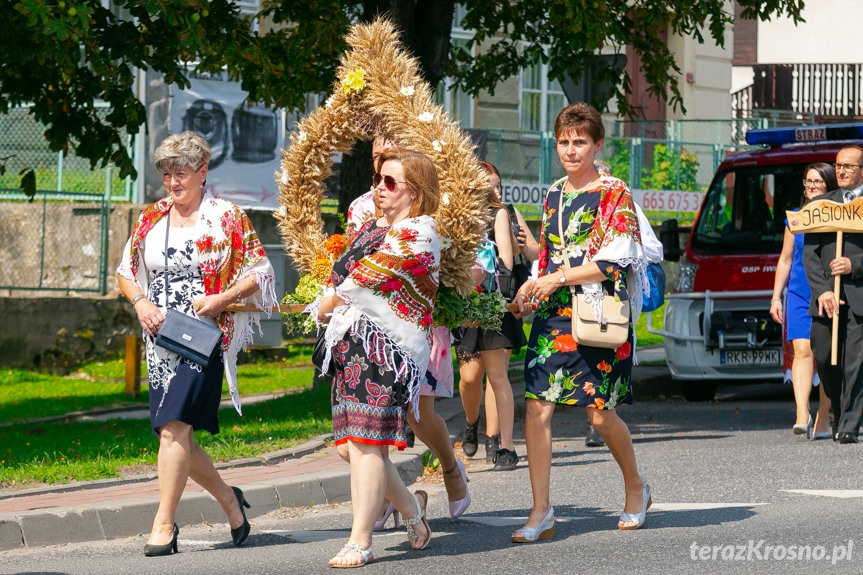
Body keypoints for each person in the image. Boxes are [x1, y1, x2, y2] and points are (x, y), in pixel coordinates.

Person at [117, 131, 277, 556]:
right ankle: (230, 500)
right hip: (160, 337)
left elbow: (260, 271)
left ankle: (164, 524)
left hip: (206, 337)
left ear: (203, 172)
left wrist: (223, 298)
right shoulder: (152, 216)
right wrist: (140, 303)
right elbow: (125, 270)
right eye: (167, 174)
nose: (173, 183)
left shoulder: (225, 216)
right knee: (177, 435)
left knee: (173, 429)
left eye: (181, 173)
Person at [513, 102, 650, 542]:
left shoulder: (614, 192)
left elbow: (615, 261)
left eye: (580, 142)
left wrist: (556, 278)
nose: (571, 151)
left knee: (599, 416)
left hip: (599, 314)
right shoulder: (554, 194)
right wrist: (531, 288)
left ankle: (635, 486)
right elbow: (549, 256)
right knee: (537, 406)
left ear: (597, 144)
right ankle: (541, 511)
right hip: (555, 314)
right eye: (564, 142)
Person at [315, 150, 439, 567]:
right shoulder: (370, 228)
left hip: (389, 349)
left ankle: (360, 540)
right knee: (350, 449)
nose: (379, 189)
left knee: (368, 445)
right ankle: (411, 510)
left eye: (390, 182)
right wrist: (327, 298)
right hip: (352, 344)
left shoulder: (420, 231)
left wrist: (326, 302)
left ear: (416, 193)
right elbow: (338, 273)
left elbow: (362, 277)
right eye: (378, 180)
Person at [583, 159, 665, 448]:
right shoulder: (576, 207)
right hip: (581, 295)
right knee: (585, 356)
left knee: (607, 360)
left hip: (615, 298)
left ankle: (601, 421)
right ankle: (596, 421)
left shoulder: (627, 207)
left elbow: (655, 249)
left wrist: (626, 248)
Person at [465, 162, 537, 463]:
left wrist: (519, 248)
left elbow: (524, 255)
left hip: (497, 300)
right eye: (488, 185)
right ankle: (472, 425)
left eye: (498, 185)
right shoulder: (460, 215)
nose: (495, 191)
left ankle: (502, 444)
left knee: (497, 376)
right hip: (467, 302)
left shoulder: (504, 212)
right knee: (470, 378)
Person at [770, 163, 835, 439]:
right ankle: (801, 412)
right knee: (802, 350)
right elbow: (785, 259)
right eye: (808, 182)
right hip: (798, 293)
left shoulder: (839, 216)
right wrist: (776, 296)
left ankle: (823, 414)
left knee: (826, 356)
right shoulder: (794, 219)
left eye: (817, 182)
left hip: (830, 293)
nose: (811, 186)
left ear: (828, 186)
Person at [804, 145, 863, 444]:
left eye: (848, 166)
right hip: (828, 297)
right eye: (838, 165)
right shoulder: (822, 205)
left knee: (856, 361)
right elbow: (810, 254)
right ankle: (840, 412)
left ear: (862, 170)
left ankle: (850, 425)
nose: (841, 170)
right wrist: (823, 291)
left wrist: (855, 264)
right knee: (824, 355)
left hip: (859, 296)